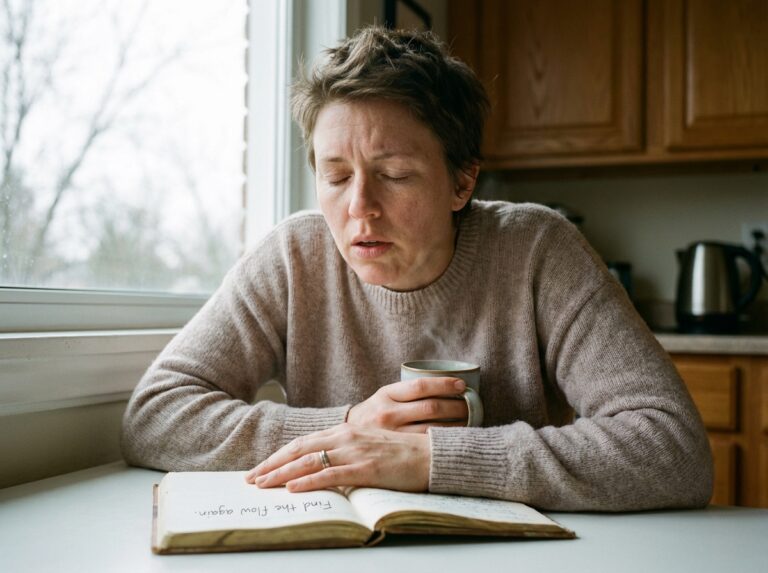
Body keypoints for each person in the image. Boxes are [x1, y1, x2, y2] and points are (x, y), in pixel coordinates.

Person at [121, 26, 713, 511]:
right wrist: (350, 428)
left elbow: (674, 448)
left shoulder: (537, 249)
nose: (358, 208)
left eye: (395, 174)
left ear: (462, 182)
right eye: (335, 176)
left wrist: (430, 459)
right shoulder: (294, 255)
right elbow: (154, 417)